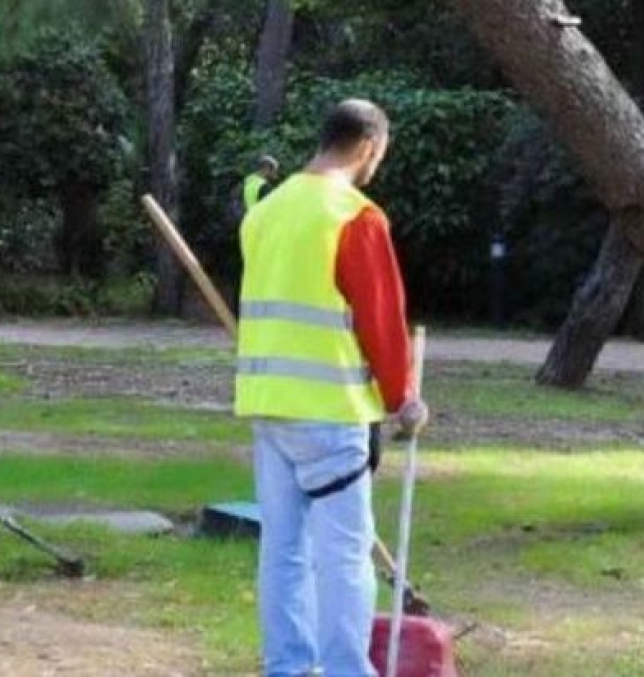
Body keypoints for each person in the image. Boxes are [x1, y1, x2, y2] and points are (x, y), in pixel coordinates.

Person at [235, 99, 429, 676]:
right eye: (379, 157)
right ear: (368, 147)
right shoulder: (355, 216)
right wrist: (403, 399)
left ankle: (287, 668)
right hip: (330, 411)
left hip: (270, 408)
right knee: (344, 555)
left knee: (283, 551)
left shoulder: (265, 213)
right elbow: (382, 321)